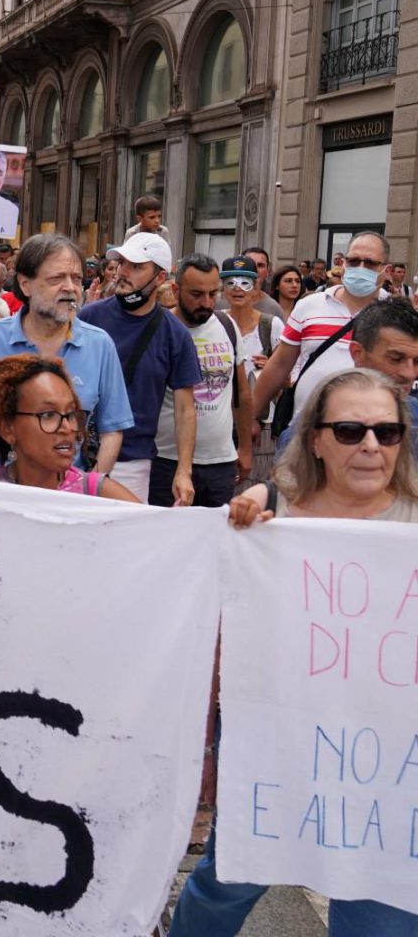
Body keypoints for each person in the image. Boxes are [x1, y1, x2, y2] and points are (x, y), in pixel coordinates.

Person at [170, 368, 418, 937]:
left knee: (379, 898)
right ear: (317, 439)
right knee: (229, 878)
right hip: (282, 740)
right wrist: (246, 519)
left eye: (388, 432)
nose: (372, 446)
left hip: (391, 758)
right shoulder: (273, 518)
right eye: (351, 430)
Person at [0, 234, 133, 475]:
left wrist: (91, 486)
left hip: (68, 501)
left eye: (76, 278)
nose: (70, 288)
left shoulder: (100, 344)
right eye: (56, 278)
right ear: (25, 284)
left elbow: (113, 428)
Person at [76, 233, 201, 503]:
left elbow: (185, 408)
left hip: (132, 463)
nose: (123, 272)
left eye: (136, 266)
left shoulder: (175, 334)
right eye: (122, 263)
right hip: (74, 457)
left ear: (160, 277)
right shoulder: (88, 317)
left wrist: (184, 471)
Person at [253, 230, 389, 428]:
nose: (360, 268)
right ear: (342, 265)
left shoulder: (395, 315)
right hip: (304, 432)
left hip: (369, 437)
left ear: (386, 269)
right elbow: (279, 366)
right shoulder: (309, 306)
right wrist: (251, 418)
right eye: (353, 261)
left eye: (370, 263)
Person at [0, 356, 138, 499]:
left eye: (71, 413)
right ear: (7, 429)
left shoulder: (103, 498)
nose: (67, 427)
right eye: (48, 415)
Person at [156, 255, 254, 508]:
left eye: (213, 294)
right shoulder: (158, 329)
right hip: (166, 461)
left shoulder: (226, 325)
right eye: (197, 294)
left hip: (219, 463)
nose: (207, 303)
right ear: (176, 290)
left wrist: (244, 448)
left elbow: (242, 393)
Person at [274, 300, 418, 461]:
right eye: (396, 359)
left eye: (417, 362)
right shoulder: (312, 425)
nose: (409, 373)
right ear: (357, 354)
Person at [220, 255, 284, 485]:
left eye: (245, 282)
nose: (238, 289)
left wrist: (271, 368)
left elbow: (288, 378)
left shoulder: (272, 325)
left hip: (263, 422)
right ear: (222, 288)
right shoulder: (216, 323)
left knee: (256, 486)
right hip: (222, 420)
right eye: (230, 282)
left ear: (256, 287)